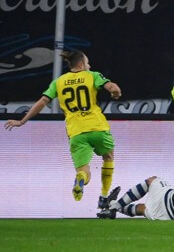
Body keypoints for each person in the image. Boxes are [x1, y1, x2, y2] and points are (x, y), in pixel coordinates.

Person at [4, 50, 122, 208]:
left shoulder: (58, 82)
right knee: (108, 157)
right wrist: (116, 93)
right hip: (97, 127)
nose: (89, 65)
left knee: (84, 170)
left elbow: (42, 102)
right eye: (87, 63)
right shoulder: (92, 75)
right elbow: (112, 87)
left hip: (76, 132)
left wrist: (22, 121)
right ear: (81, 64)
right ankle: (103, 196)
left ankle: (80, 177)